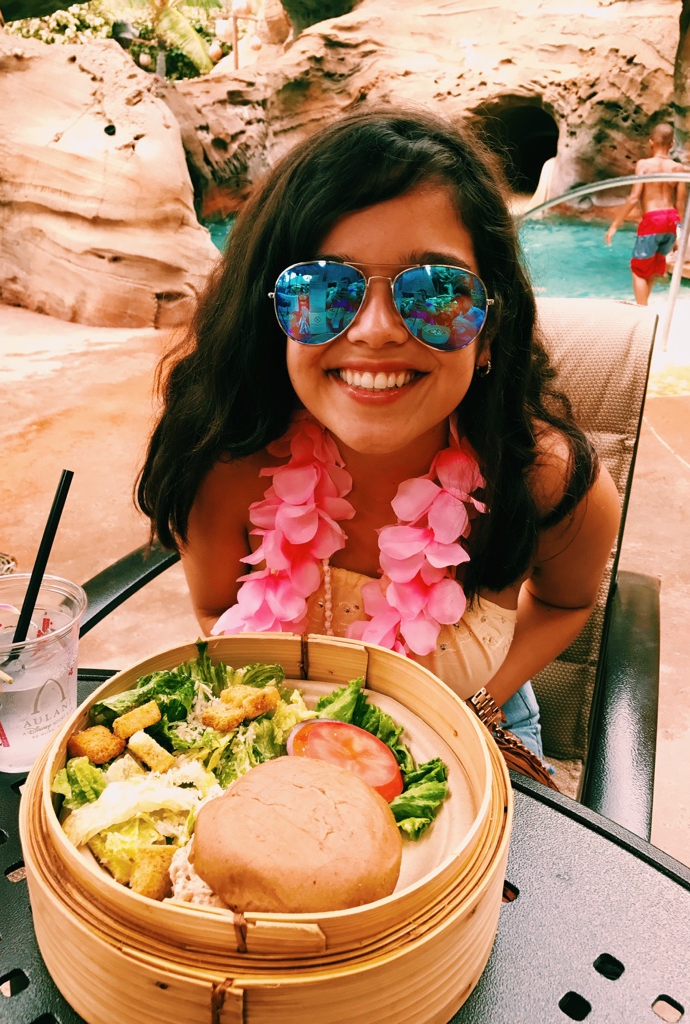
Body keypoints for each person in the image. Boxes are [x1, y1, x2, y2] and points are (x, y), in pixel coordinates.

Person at [137, 106, 620, 761]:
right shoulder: (223, 467)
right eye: (324, 288)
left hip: (478, 729)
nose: (375, 330)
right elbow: (215, 617)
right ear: (274, 319)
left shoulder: (546, 482)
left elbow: (567, 604)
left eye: (435, 292)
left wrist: (471, 708)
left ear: (489, 332)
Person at [605, 123, 688, 305]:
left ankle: (642, 312)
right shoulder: (678, 168)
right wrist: (678, 235)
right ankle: (644, 307)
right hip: (671, 220)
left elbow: (634, 197)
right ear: (672, 144)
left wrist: (614, 226)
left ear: (651, 143)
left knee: (638, 269)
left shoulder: (644, 165)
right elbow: (680, 203)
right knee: (650, 268)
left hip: (653, 220)